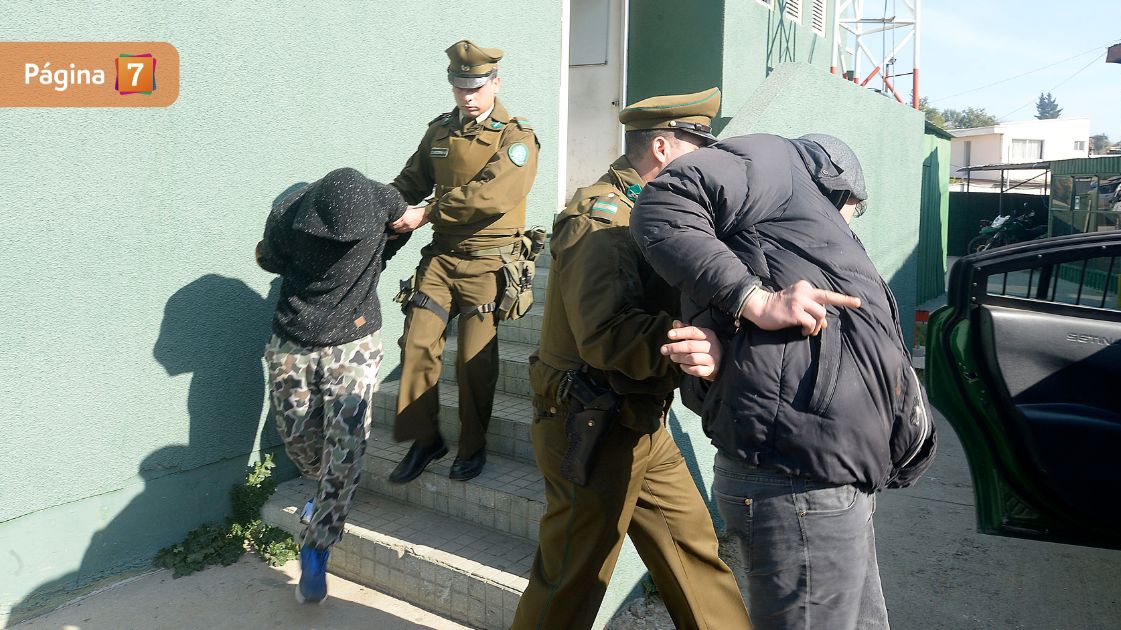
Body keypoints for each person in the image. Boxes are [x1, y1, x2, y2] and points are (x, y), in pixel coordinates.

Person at [632, 133, 937, 629]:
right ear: (836, 186)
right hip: (795, 478)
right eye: (850, 212)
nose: (846, 226)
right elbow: (664, 202)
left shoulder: (771, 235)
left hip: (828, 472)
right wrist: (756, 301)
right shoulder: (780, 163)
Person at [511, 88, 750, 630]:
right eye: (698, 147)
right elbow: (608, 335)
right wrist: (696, 342)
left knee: (693, 551)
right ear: (663, 148)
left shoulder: (655, 210)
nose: (706, 162)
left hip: (638, 417)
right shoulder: (603, 221)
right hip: (592, 422)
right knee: (570, 579)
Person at [256, 167, 412, 604]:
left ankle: (317, 546)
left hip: (356, 340)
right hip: (294, 336)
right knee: (299, 439)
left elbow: (407, 222)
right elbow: (269, 258)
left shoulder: (382, 199)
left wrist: (406, 229)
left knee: (346, 444)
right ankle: (325, 488)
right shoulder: (286, 215)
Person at [387, 40, 539, 484]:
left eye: (476, 86)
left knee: (474, 363)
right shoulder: (438, 132)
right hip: (440, 260)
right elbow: (409, 181)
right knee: (416, 346)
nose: (468, 96)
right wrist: (379, 205)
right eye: (459, 87)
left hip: (489, 263)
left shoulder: (517, 137)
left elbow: (491, 195)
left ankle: (473, 446)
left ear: (495, 82)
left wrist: (427, 213)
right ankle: (425, 439)